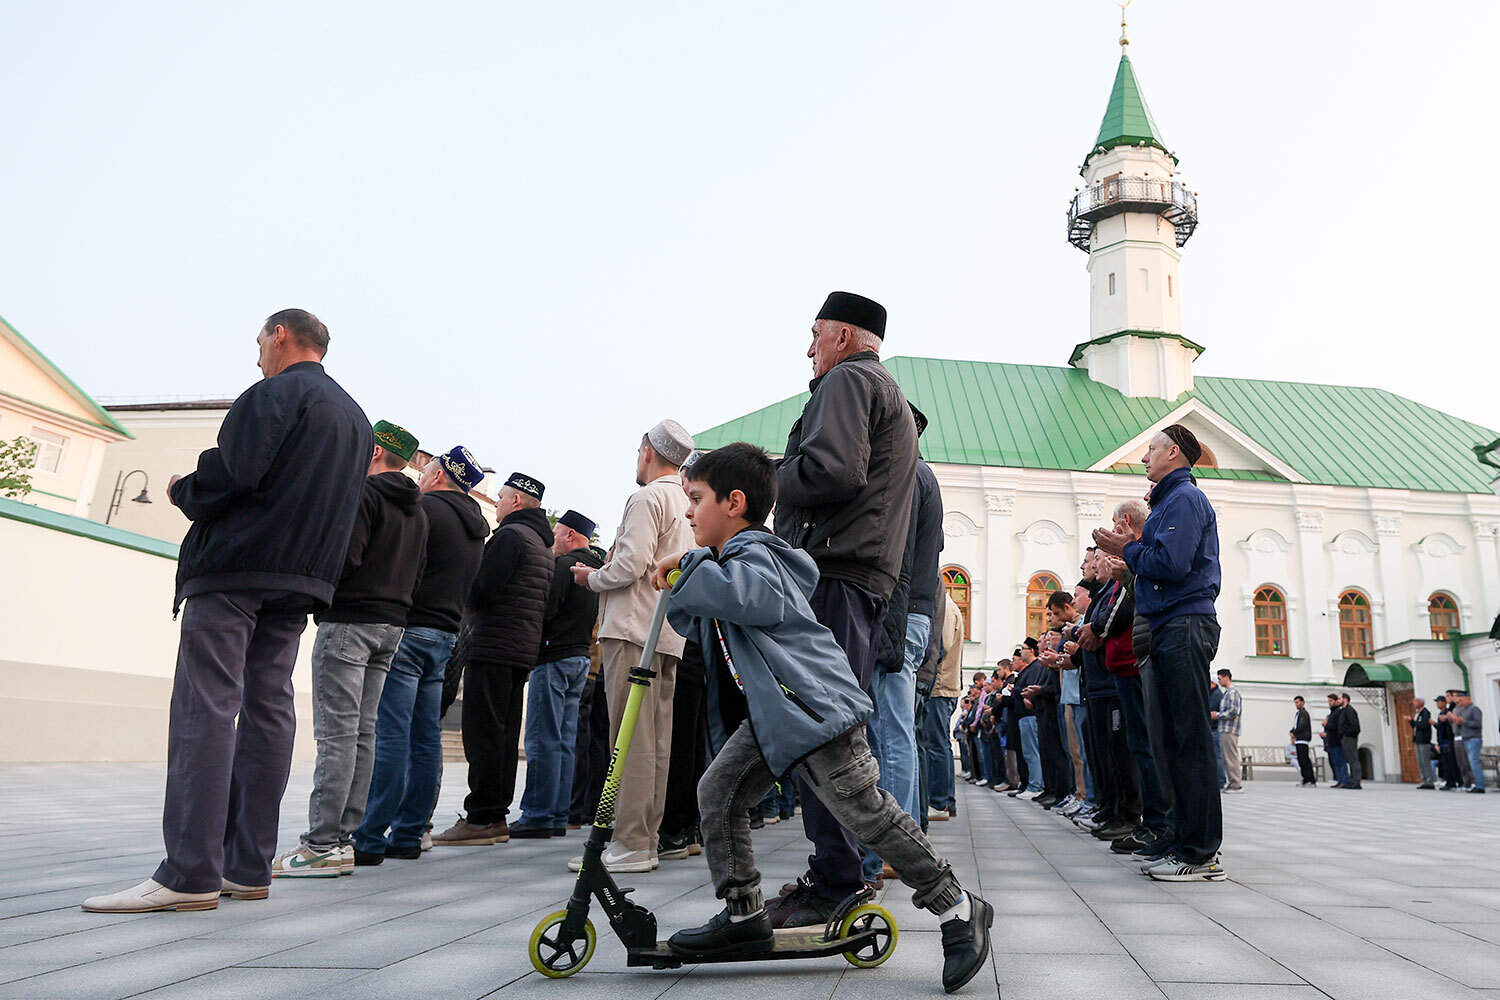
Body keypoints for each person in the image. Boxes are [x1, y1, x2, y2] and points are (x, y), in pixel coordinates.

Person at [650, 442, 992, 993]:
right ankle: (742, 918)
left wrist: (687, 566)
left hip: (817, 713)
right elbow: (703, 616)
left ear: (734, 503)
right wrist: (685, 579)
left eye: (696, 499)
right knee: (719, 793)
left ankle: (958, 907)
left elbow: (747, 598)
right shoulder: (731, 563)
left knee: (869, 816)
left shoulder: (758, 556)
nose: (688, 512)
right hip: (777, 716)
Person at [83, 308, 372, 913]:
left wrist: (184, 488)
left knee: (206, 705)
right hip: (301, 580)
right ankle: (247, 866)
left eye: (260, 342)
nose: (258, 355)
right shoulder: (354, 419)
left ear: (279, 335)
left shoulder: (274, 393)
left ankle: (188, 874)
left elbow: (235, 471)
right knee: (270, 708)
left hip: (237, 569)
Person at [765, 291, 918, 928]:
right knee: (831, 730)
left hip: (834, 575)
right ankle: (841, 868)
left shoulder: (849, 381)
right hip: (858, 577)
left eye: (816, 334)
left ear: (846, 337)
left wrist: (767, 476)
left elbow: (831, 473)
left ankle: (838, 878)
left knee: (821, 731)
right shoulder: (884, 390)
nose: (809, 349)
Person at [272, 420, 431, 877]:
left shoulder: (364, 495)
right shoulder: (418, 510)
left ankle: (321, 844)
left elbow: (346, 558)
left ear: (377, 451)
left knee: (337, 736)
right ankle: (343, 841)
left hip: (350, 622)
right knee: (364, 734)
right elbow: (418, 572)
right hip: (392, 625)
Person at [1094, 423, 1225, 882]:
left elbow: (1171, 564)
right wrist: (1129, 550)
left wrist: (1127, 548)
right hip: (1171, 623)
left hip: (1183, 622)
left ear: (1173, 452)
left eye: (1151, 449)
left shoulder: (1184, 498)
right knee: (1170, 739)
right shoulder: (1168, 500)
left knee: (1187, 738)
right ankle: (1179, 839)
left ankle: (1201, 851)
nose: (1144, 456)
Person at [568, 420, 696, 873]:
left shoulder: (647, 498)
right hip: (666, 633)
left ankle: (631, 842)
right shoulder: (686, 500)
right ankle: (646, 838)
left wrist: (590, 578)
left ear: (647, 453)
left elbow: (631, 564)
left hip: (631, 629)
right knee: (656, 740)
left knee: (630, 740)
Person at [354, 447, 489, 864]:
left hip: (411, 629)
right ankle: (410, 833)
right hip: (445, 635)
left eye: (427, 468)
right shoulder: (476, 525)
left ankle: (371, 836)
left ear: (438, 476)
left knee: (391, 733)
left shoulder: (426, 509)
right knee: (426, 736)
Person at [433, 473, 555, 845]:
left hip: (493, 645)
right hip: (520, 649)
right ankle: (496, 815)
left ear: (516, 501)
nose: (498, 503)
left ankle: (481, 817)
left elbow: (485, 591)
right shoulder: (541, 544)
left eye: (501, 497)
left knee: (483, 732)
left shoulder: (510, 537)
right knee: (502, 735)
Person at [863, 413, 943, 883]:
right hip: (908, 611)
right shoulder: (920, 473)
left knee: (891, 732)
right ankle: (900, 841)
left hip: (898, 610)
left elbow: (894, 553)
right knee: (893, 729)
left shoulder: (907, 473)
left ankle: (897, 846)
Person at [511, 510, 605, 837]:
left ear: (569, 536)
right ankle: (558, 813)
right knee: (566, 740)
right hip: (581, 660)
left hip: (554, 657)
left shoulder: (564, 567)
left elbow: (545, 613)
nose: (552, 541)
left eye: (557, 533)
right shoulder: (595, 569)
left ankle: (537, 814)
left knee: (542, 737)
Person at [919, 593, 964, 822]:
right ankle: (944, 801)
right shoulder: (946, 604)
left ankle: (940, 802)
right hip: (943, 686)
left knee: (936, 746)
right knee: (939, 745)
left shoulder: (944, 607)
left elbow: (940, 647)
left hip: (939, 687)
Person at [1448, 692, 1486, 793]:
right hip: (1466, 739)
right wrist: (1456, 721)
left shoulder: (1474, 709)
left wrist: (1463, 721)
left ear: (1468, 699)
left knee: (1474, 763)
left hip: (1474, 739)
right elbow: (1461, 724)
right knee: (1468, 762)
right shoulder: (1464, 710)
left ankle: (1479, 785)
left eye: (1462, 700)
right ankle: (1475, 784)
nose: (1460, 703)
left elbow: (1477, 723)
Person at [1214, 670, 1243, 794]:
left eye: (1220, 679)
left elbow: (1233, 711)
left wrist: (1218, 715)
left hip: (1229, 729)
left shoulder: (1232, 692)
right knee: (1227, 757)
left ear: (1226, 678)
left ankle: (1236, 784)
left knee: (1231, 757)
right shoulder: (1227, 693)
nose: (1219, 681)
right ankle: (1232, 782)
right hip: (1225, 729)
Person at [1433, 694, 1461, 790]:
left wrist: (1445, 720)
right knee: (1445, 762)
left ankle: (1454, 781)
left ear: (1444, 703)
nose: (1437, 704)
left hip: (1448, 740)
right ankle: (1449, 781)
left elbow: (1448, 728)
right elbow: (1440, 729)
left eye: (1439, 702)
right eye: (1437, 702)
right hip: (1442, 741)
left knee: (1451, 762)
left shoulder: (1447, 713)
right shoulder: (1441, 714)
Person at [1338, 693, 1363, 789]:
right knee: (1349, 759)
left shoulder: (1349, 710)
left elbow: (1355, 726)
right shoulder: (1343, 711)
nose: (1338, 700)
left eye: (1340, 698)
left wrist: (1346, 734)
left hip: (1349, 738)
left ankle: (1356, 781)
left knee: (1353, 759)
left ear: (1345, 699)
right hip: (1345, 738)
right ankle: (1351, 780)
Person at [1323, 693, 1348, 787]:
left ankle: (1344, 780)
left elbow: (1338, 726)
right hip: (1331, 740)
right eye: (1328, 701)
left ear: (1336, 701)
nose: (1329, 703)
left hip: (1336, 740)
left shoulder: (1338, 712)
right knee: (1336, 762)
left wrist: (1327, 725)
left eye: (1331, 701)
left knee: (1340, 761)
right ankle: (1339, 780)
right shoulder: (1332, 712)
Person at [1291, 696, 1316, 786]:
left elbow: (1301, 726)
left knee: (1305, 760)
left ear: (1302, 702)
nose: (1296, 704)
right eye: (1295, 703)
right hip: (1298, 739)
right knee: (1301, 760)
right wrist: (1292, 731)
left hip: (1303, 739)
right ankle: (1305, 778)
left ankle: (1310, 779)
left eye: (1298, 702)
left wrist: (1294, 732)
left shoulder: (1304, 714)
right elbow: (1296, 726)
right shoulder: (1298, 714)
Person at [1208, 678, 1226, 789]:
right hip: (1214, 729)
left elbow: (1211, 710)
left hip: (1214, 729)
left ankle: (1220, 781)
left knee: (1217, 756)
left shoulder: (1215, 695)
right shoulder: (1216, 694)